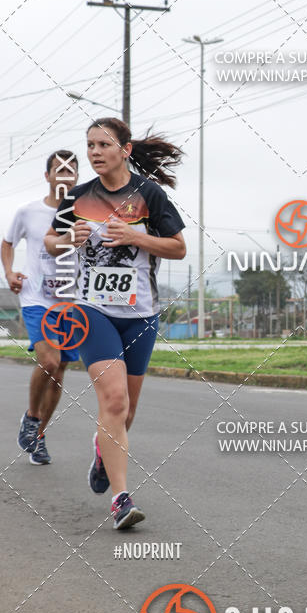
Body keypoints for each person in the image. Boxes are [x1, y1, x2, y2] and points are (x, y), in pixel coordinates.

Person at [45, 118, 186, 529]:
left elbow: (178, 247)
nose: (94, 152)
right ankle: (121, 500)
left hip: (141, 314)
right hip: (92, 311)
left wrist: (135, 236)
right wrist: (67, 239)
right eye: (90, 145)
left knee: (126, 412)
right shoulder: (78, 196)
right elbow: (50, 242)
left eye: (103, 145)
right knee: (114, 401)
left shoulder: (149, 194)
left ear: (125, 150)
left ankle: (101, 450)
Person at [2, 150, 79, 465]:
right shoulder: (28, 211)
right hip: (36, 298)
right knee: (49, 361)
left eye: (70, 171)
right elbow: (7, 243)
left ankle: (39, 436)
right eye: (59, 170)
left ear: (77, 178)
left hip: (70, 303)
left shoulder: (86, 212)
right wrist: (9, 273)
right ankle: (32, 417)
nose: (65, 176)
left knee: (58, 373)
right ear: (47, 176)